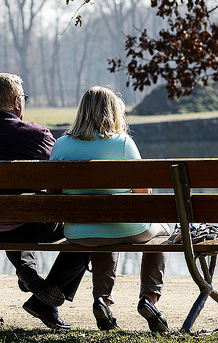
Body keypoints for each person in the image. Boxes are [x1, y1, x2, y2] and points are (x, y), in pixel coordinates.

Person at [0, 72, 89, 330]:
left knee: (11, 208)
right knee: (88, 230)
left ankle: (25, 268)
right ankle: (47, 296)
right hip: (27, 224)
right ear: (17, 101)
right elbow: (61, 172)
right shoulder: (36, 134)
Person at [49, 85, 170, 332]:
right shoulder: (123, 143)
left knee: (102, 229)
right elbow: (143, 194)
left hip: (78, 234)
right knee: (165, 232)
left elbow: (52, 195)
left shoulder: (60, 145)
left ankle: (102, 300)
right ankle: (149, 298)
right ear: (113, 111)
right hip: (127, 229)